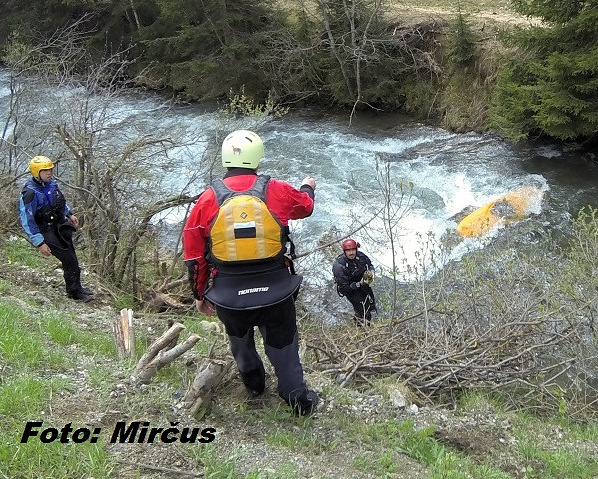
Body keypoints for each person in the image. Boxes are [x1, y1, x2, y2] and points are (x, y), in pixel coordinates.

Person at [183, 130, 319, 416]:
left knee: (240, 342)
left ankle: (254, 385)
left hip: (229, 295)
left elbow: (195, 258)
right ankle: (297, 400)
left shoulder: (207, 200)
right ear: (258, 158)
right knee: (283, 347)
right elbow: (305, 207)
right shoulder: (277, 190)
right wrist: (307, 187)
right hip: (277, 289)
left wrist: (200, 295)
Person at [19, 155, 94, 302]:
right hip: (45, 231)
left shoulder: (51, 185)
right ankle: (74, 293)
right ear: (36, 172)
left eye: (50, 170)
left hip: (58, 225)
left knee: (72, 257)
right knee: (69, 260)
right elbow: (26, 220)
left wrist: (69, 214)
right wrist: (39, 242)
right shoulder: (30, 193)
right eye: (45, 170)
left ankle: (77, 289)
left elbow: (60, 202)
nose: (49, 173)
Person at [332, 239, 377, 325]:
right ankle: (361, 327)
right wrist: (359, 284)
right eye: (348, 251)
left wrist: (372, 272)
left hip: (363, 283)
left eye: (353, 250)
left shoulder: (361, 256)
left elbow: (370, 265)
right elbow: (344, 288)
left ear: (356, 249)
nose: (351, 253)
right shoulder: (339, 266)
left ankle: (366, 322)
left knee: (371, 304)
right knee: (362, 310)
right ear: (344, 252)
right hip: (351, 289)